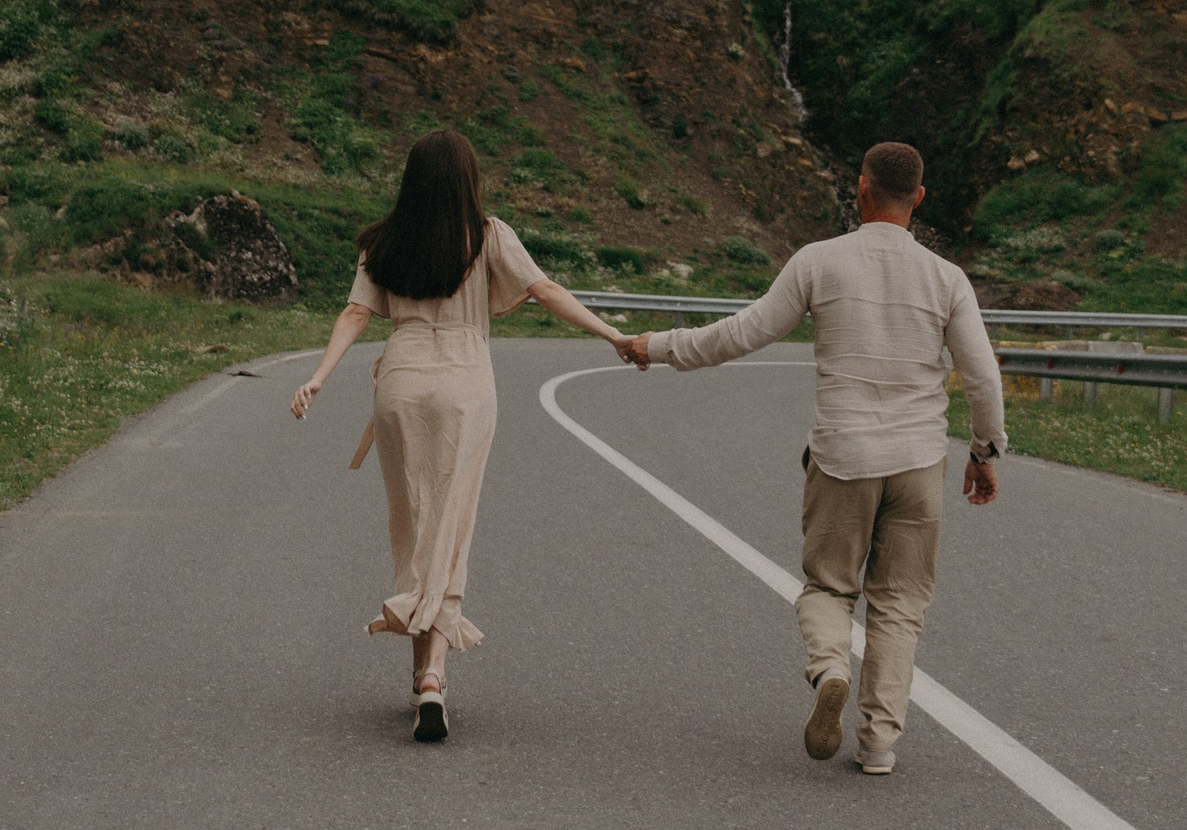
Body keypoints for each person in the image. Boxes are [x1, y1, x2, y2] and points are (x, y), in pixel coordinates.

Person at [634, 140, 1004, 777]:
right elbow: (982, 377)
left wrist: (658, 346)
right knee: (899, 602)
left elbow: (741, 333)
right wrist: (983, 450)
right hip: (918, 461)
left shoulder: (819, 262)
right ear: (918, 198)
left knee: (829, 586)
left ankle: (831, 665)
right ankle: (880, 743)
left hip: (841, 457)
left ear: (861, 188)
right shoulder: (947, 279)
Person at [291, 127, 645, 741]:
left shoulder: (383, 240)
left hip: (399, 384)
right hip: (464, 388)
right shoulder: (488, 235)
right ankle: (432, 675)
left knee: (415, 521)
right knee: (449, 524)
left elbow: (355, 312)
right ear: (467, 178)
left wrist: (320, 377)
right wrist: (611, 334)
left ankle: (421, 669)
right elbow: (546, 291)